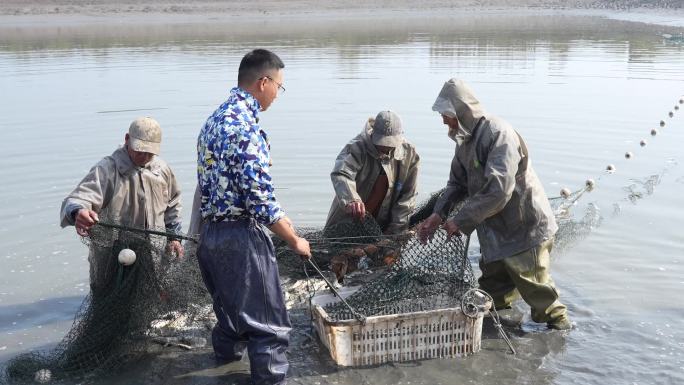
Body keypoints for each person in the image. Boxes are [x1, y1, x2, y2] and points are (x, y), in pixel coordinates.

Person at [417, 78, 571, 331]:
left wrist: (459, 222)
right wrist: (437, 215)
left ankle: (561, 335)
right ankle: (497, 330)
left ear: (461, 110)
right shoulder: (464, 140)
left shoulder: (499, 134)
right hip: (496, 233)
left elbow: (499, 191)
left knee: (541, 298)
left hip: (524, 230)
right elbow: (456, 184)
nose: (443, 120)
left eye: (446, 114)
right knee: (492, 294)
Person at [196, 49, 311, 385]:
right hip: (241, 239)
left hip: (210, 238)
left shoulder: (213, 122)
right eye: (279, 86)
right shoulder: (245, 129)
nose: (278, 94)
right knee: (269, 330)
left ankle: (225, 373)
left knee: (230, 321)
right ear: (263, 82)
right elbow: (259, 200)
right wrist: (294, 240)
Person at [60, 117, 184, 291]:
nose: (144, 156)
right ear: (127, 139)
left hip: (154, 257)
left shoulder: (162, 170)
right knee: (111, 301)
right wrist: (78, 212)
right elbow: (80, 197)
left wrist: (174, 238)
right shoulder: (107, 169)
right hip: (113, 258)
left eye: (150, 152)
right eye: (139, 150)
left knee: (153, 300)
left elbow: (173, 206)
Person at [325, 110, 420, 235]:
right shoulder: (357, 147)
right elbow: (341, 174)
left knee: (386, 251)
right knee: (341, 252)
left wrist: (396, 230)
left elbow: (408, 197)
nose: (386, 147)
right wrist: (351, 200)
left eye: (390, 144)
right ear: (373, 134)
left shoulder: (409, 154)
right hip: (347, 223)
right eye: (382, 143)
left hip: (383, 225)